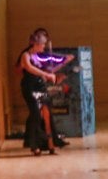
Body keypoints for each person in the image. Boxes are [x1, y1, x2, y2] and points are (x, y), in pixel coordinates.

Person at [17, 27, 75, 155]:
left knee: (47, 115)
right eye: (42, 44)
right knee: (36, 115)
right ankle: (35, 145)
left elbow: (48, 72)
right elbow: (30, 69)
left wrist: (62, 64)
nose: (44, 47)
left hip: (41, 87)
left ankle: (51, 144)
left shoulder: (39, 57)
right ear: (36, 44)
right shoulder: (25, 56)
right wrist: (46, 75)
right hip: (30, 88)